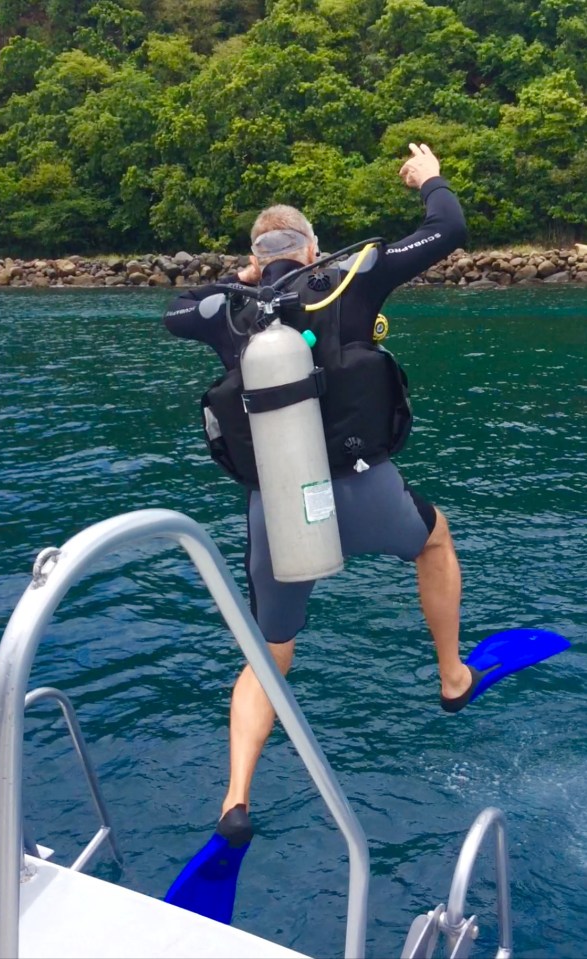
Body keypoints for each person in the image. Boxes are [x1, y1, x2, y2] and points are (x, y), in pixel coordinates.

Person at [164, 144, 473, 837]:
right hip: (367, 492)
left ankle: (234, 798)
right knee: (433, 538)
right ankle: (452, 675)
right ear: (310, 247)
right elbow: (449, 228)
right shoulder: (347, 278)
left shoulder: (230, 309)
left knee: (268, 652)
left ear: (257, 255)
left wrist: (240, 278)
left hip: (279, 512)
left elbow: (176, 311)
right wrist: (429, 180)